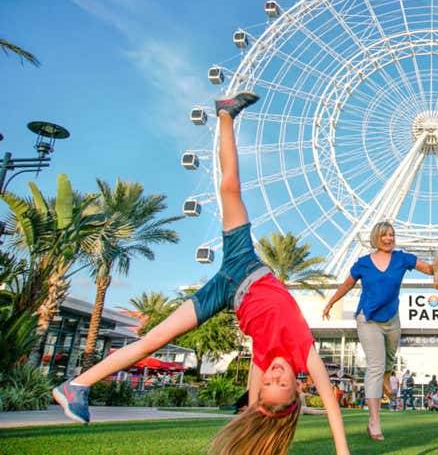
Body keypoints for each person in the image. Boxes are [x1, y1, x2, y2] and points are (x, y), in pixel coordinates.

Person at [52, 91, 349, 455]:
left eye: (268, 384)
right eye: (281, 383)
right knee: (230, 187)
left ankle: (75, 386)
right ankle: (226, 116)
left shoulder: (259, 361)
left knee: (153, 339)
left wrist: (253, 416)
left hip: (225, 291)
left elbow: (256, 406)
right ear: (298, 388)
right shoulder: (306, 354)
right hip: (247, 266)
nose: (274, 375)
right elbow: (333, 409)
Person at [323, 222, 434, 440]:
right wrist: (331, 302)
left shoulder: (402, 258)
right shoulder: (363, 263)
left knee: (390, 359)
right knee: (375, 365)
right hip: (368, 319)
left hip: (392, 319)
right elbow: (347, 284)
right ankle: (374, 421)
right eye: (384, 235)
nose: (389, 238)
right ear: (376, 237)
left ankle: (387, 375)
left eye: (392, 235)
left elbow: (429, 269)